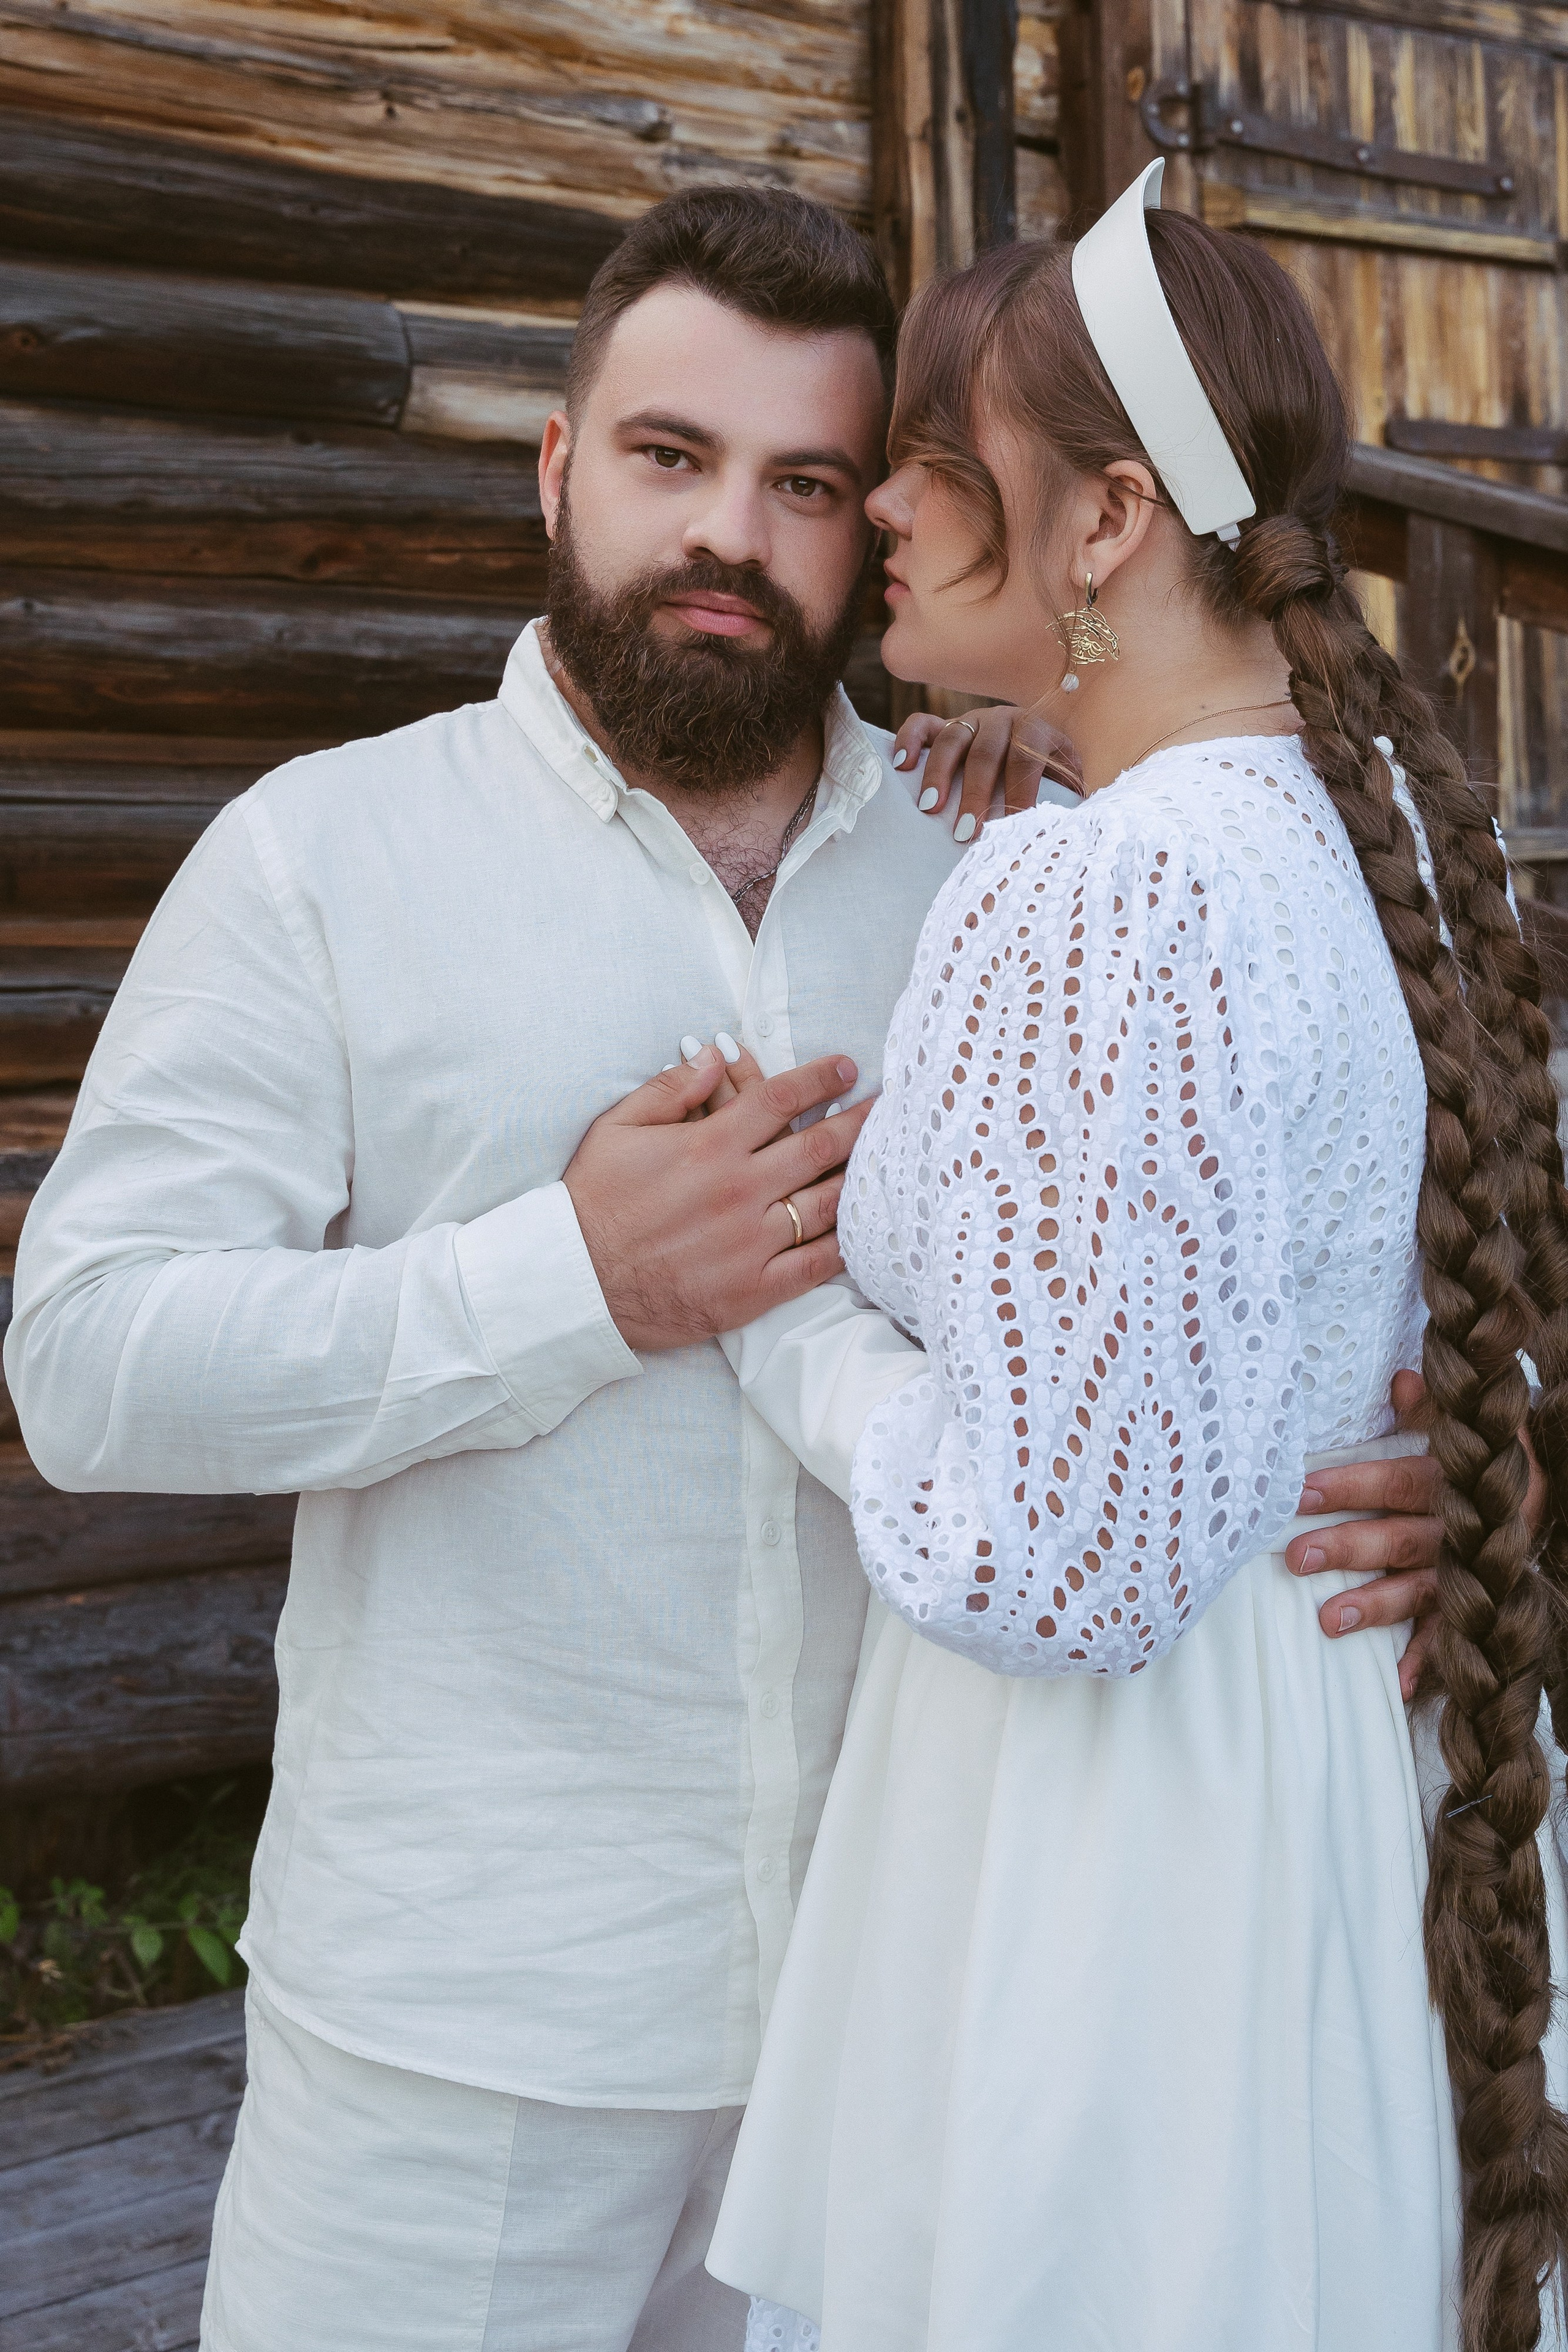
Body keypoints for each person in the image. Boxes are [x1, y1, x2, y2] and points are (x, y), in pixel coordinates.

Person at [6, 185, 1465, 2352]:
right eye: (670, 459)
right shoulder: (324, 855)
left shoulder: (1022, 849)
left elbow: (1321, 1260)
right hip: (472, 2047)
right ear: (559, 467)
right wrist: (568, 1279)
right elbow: (90, 1365)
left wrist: (1448, 1479)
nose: (734, 536)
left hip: (914, 2032)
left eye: (804, 482)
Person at [702, 168, 1568, 2351]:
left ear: (1100, 524)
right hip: (1360, 1781)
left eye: (926, 455)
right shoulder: (1397, 863)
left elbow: (1063, 1566)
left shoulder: (1100, 895)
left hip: (1131, 1845)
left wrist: (793, 1324)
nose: (884, 510)